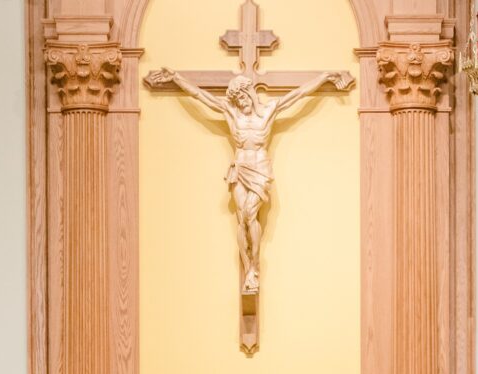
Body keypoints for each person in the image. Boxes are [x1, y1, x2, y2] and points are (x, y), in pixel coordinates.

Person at [145, 68, 352, 293]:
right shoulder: (232, 114)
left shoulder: (269, 110)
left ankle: (254, 265)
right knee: (241, 218)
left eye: (242, 96)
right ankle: (248, 270)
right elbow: (201, 97)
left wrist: (323, 78)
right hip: (240, 167)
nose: (240, 102)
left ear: (251, 93)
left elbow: (299, 95)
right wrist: (177, 78)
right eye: (236, 99)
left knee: (250, 213)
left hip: (260, 168)